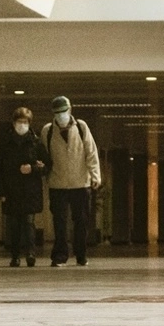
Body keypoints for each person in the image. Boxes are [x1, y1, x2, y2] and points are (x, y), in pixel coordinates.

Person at [41, 96, 101, 267]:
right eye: (57, 113)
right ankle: (60, 256)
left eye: (63, 112)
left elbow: (91, 152)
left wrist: (95, 175)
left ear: (70, 110)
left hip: (80, 183)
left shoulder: (81, 127)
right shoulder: (48, 130)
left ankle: (81, 254)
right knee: (59, 221)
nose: (61, 115)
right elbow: (45, 155)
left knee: (81, 221)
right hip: (57, 183)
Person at [0, 106, 47, 267]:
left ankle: (31, 253)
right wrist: (0, 191)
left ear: (29, 123)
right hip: (11, 190)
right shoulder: (5, 143)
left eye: (25, 122)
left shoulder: (35, 143)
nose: (22, 125)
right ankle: (15, 255)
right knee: (14, 224)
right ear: (14, 123)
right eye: (19, 121)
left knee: (29, 222)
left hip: (30, 190)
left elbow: (47, 165)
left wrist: (34, 168)